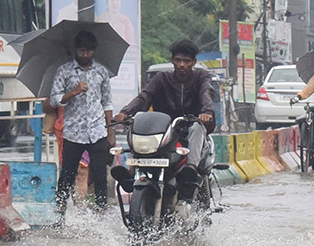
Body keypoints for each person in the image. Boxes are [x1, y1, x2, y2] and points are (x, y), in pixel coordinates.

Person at [113, 39, 215, 203]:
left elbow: (206, 95)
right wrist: (126, 112)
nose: (182, 64)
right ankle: (131, 173)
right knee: (139, 124)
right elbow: (145, 96)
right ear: (172, 60)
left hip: (191, 129)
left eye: (186, 61)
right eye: (178, 60)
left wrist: (206, 112)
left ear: (194, 62)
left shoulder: (201, 78)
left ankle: (190, 170)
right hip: (165, 131)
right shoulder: (162, 78)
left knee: (196, 127)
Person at [51, 29, 114, 220]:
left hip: (97, 130)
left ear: (94, 51)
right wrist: (74, 92)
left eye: (89, 51)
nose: (85, 55)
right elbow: (55, 100)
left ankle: (101, 212)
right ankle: (60, 212)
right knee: (67, 175)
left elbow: (107, 102)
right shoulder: (64, 72)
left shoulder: (101, 72)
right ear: (76, 50)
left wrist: (110, 131)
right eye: (82, 51)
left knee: (100, 174)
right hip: (73, 132)